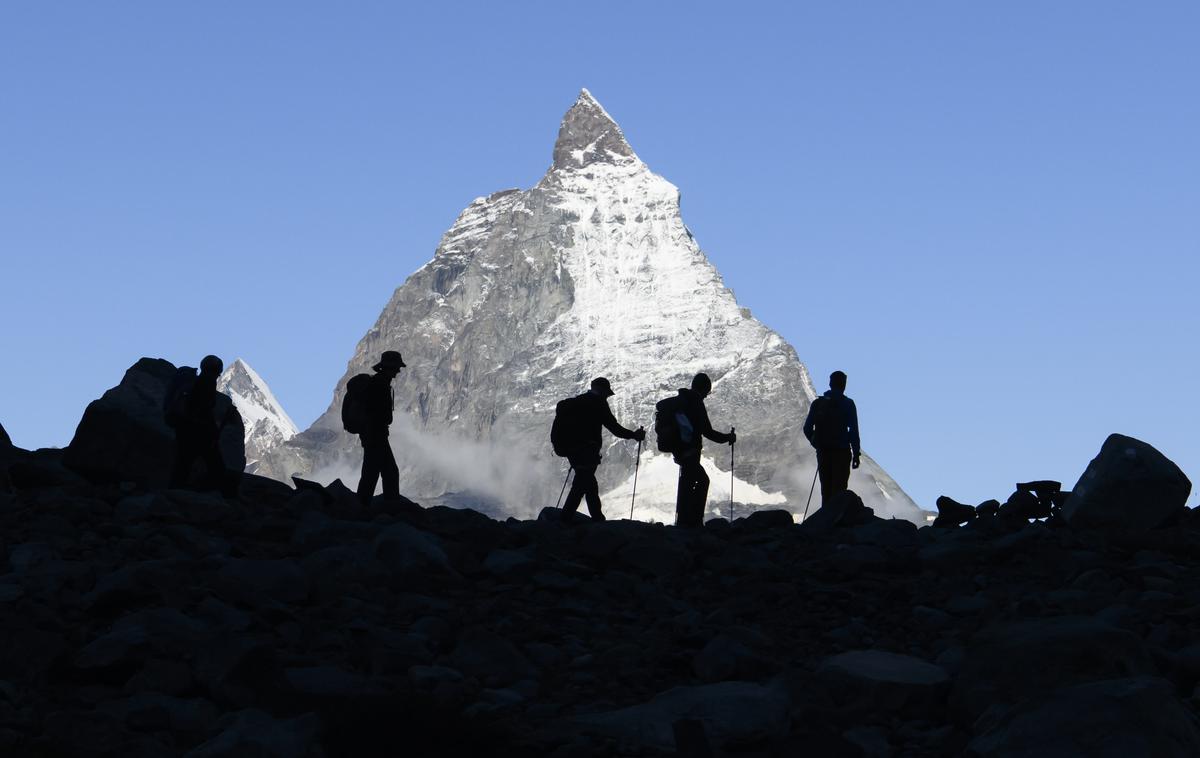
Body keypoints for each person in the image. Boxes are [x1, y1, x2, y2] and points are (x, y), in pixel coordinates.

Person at [560, 377, 645, 521]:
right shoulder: (598, 404)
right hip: (587, 450)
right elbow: (614, 428)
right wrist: (634, 435)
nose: (607, 396)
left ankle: (596, 518)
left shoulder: (578, 401)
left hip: (571, 450)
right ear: (601, 390)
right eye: (606, 393)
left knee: (587, 483)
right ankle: (566, 518)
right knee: (582, 484)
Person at [672, 373, 735, 528]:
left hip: (679, 451)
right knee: (702, 481)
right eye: (707, 392)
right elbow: (707, 431)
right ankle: (694, 522)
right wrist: (728, 437)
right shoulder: (696, 402)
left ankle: (683, 521)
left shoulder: (681, 401)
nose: (706, 396)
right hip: (691, 452)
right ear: (703, 389)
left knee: (687, 482)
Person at [169, 354, 236, 496]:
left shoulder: (197, 382)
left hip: (184, 429)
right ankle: (215, 495)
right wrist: (212, 430)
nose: (218, 376)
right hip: (198, 431)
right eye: (218, 372)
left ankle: (175, 491)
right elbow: (203, 409)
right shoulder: (207, 383)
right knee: (215, 464)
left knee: (184, 462)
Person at [803, 370, 861, 505]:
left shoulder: (818, 404)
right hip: (842, 452)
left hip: (824, 451)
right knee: (839, 490)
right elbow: (853, 431)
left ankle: (825, 521)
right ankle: (837, 522)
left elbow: (807, 428)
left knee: (826, 489)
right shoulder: (848, 404)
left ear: (830, 383)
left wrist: (816, 443)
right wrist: (856, 454)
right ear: (844, 385)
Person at [357, 350, 405, 505]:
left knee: (377, 472)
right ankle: (386, 508)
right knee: (386, 472)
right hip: (376, 435)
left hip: (373, 435)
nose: (398, 371)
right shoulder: (380, 385)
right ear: (389, 367)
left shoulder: (378, 383)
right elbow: (380, 414)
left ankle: (363, 506)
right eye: (396, 367)